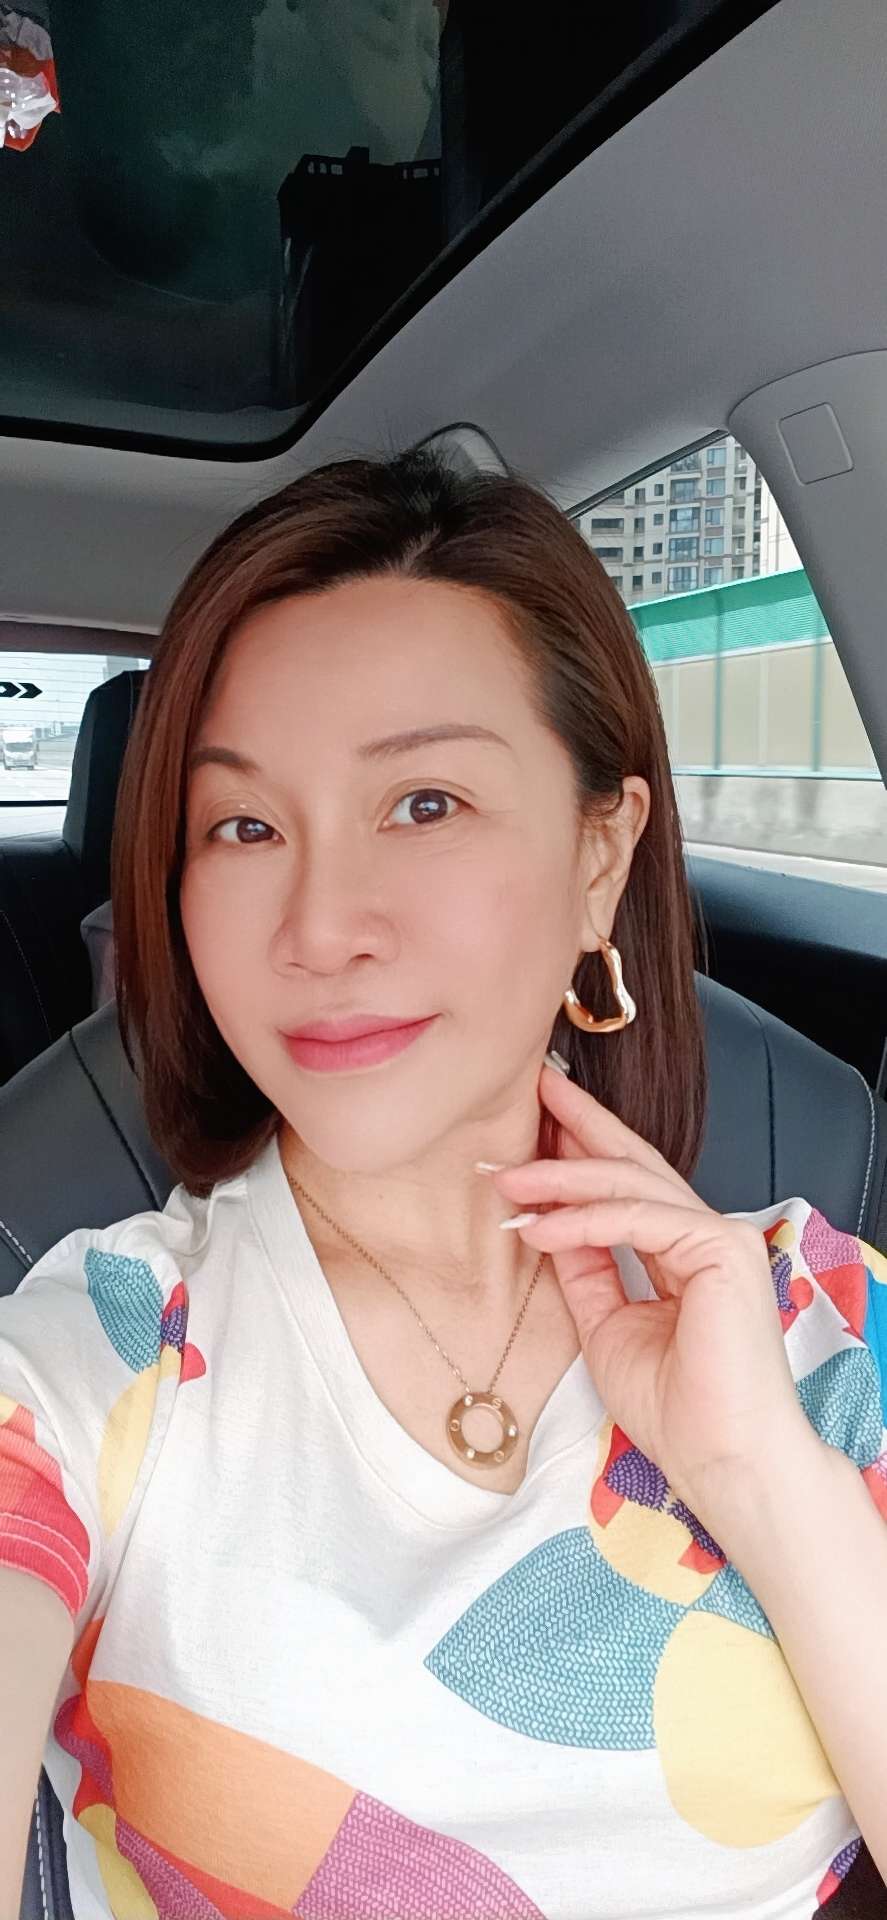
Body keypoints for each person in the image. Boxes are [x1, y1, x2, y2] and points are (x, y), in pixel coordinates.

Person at [1, 444, 886, 1920]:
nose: (320, 925)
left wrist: (760, 1478)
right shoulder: (99, 1352)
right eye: (244, 826)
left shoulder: (819, 1318)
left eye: (423, 803)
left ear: (601, 855)